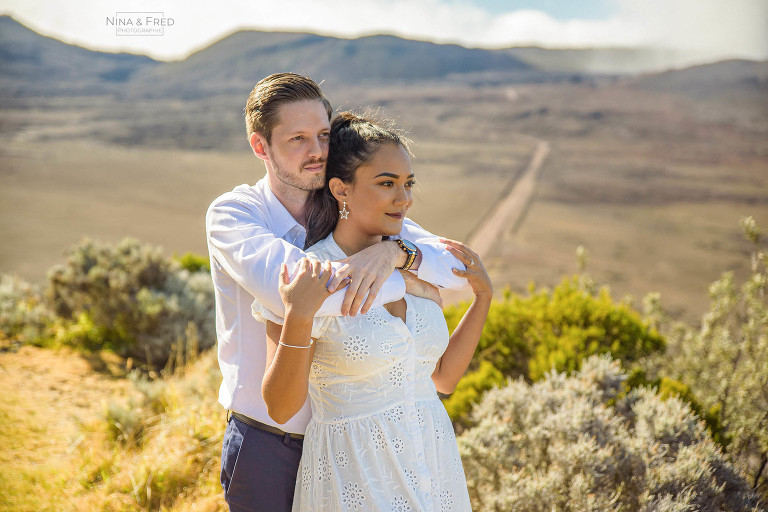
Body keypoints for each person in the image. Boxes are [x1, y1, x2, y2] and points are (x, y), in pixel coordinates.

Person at [205, 73, 469, 511]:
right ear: (260, 146)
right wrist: (406, 276)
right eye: (298, 139)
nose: (317, 151)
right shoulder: (235, 215)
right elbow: (301, 294)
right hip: (270, 441)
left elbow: (459, 269)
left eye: (324, 135)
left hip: (355, 446)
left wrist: (394, 254)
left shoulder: (343, 205)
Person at [255, 112, 492, 511]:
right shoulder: (310, 274)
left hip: (434, 465)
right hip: (357, 477)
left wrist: (482, 299)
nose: (405, 199)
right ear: (340, 189)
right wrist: (299, 315)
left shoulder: (413, 265)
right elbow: (280, 407)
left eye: (408, 183)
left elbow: (443, 380)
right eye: (387, 183)